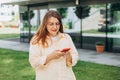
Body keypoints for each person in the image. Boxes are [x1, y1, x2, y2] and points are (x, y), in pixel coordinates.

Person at [29, 10, 78, 80]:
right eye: (51, 24)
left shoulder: (66, 37)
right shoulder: (37, 40)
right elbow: (33, 62)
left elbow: (75, 55)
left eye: (57, 24)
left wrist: (69, 57)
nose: (55, 27)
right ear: (45, 24)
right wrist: (50, 57)